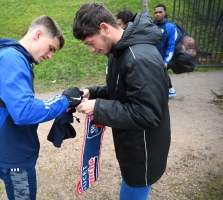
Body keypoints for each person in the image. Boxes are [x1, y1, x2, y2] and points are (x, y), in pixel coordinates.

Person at [73, 2, 171, 199]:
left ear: (104, 28)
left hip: (143, 154)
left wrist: (99, 108)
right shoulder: (119, 52)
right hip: (133, 146)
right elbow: (121, 92)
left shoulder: (138, 58)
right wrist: (92, 93)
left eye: (91, 43)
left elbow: (147, 114)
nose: (92, 50)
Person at [0, 15, 83, 200]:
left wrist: (63, 101)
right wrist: (64, 100)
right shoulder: (10, 59)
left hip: (16, 148)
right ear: (38, 34)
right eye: (51, 48)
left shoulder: (16, 58)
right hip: (13, 153)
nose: (50, 56)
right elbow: (24, 111)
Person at [153, 4, 182, 98]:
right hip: (152, 56)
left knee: (161, 72)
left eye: (160, 12)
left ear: (165, 13)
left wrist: (166, 61)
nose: (157, 14)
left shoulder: (170, 27)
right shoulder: (151, 25)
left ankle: (170, 90)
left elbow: (171, 46)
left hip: (163, 57)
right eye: (156, 12)